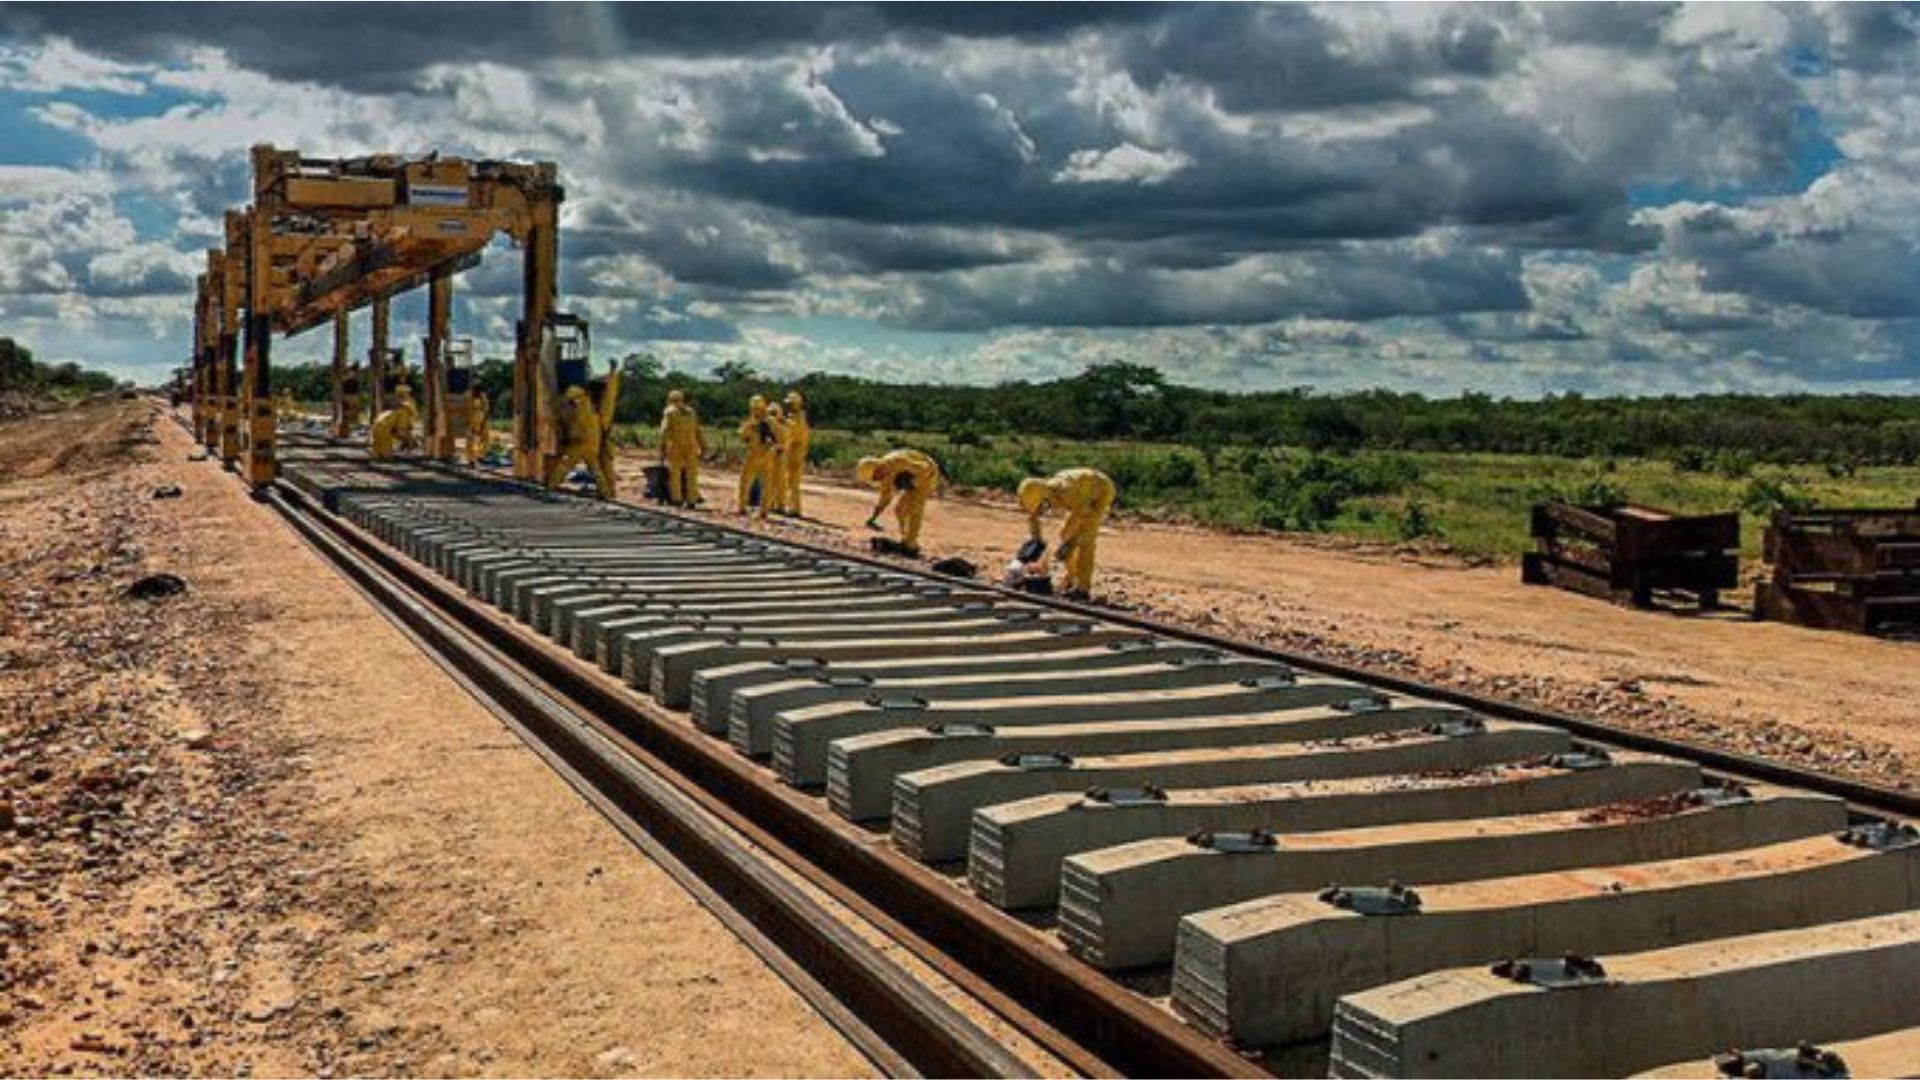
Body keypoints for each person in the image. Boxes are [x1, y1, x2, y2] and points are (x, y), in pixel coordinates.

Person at [1017, 467, 1117, 598]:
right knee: (1065, 535)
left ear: (1046, 496)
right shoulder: (1040, 494)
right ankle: (1071, 576)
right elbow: (1033, 517)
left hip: (1101, 492)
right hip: (1081, 499)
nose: (1043, 511)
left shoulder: (1067, 492)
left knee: (1085, 541)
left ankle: (1082, 589)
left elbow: (1083, 514)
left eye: (1042, 507)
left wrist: (1071, 542)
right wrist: (1036, 542)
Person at [856, 449, 942, 555]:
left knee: (913, 506)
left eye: (875, 476)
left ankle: (910, 544)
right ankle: (906, 540)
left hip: (929, 473)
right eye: (874, 479)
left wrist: (912, 482)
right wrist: (874, 516)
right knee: (899, 510)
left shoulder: (897, 461)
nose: (878, 479)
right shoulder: (885, 476)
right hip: (915, 480)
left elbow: (926, 468)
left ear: (877, 467)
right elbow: (885, 497)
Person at [659, 389, 707, 506]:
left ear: (670, 400)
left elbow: (664, 430)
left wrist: (662, 446)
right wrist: (703, 446)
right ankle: (692, 500)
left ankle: (677, 499)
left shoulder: (669, 412)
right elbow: (697, 430)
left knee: (675, 473)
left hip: (676, 445)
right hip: (691, 446)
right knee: (691, 474)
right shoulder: (691, 412)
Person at [736, 394, 779, 520]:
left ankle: (759, 509)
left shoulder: (766, 422)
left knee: (757, 482)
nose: (756, 411)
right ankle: (747, 507)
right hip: (759, 453)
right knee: (752, 481)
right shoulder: (755, 422)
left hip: (761, 454)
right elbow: (742, 436)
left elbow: (775, 438)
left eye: (757, 408)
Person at [778, 390, 810, 516]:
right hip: (791, 449)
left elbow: (795, 430)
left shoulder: (800, 417)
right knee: (788, 480)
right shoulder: (792, 416)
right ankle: (788, 506)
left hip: (797, 451)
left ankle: (795, 509)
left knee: (793, 481)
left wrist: (783, 422)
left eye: (790, 404)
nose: (788, 406)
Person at [368, 385, 418, 460]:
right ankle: (384, 455)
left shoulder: (397, 408)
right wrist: (407, 438)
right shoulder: (404, 411)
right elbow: (401, 429)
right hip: (384, 426)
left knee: (377, 448)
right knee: (386, 451)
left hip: (378, 423)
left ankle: (377, 454)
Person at [465, 390, 492, 466]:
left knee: (486, 438)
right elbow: (467, 410)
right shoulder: (468, 396)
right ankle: (471, 459)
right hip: (471, 419)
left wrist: (484, 420)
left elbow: (486, 409)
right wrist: (470, 423)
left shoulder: (483, 395)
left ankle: (481, 456)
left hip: (482, 418)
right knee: (470, 440)